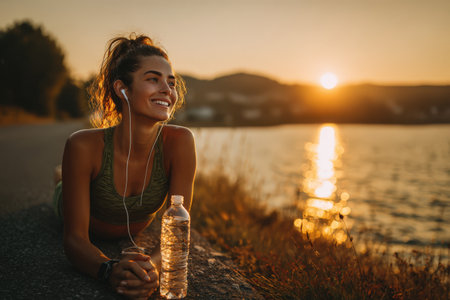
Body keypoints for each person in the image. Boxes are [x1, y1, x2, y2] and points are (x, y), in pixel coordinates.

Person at [53, 34, 196, 299]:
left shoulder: (181, 142)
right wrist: (108, 269)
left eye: (171, 82)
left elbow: (178, 230)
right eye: (153, 79)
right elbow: (74, 240)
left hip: (133, 226)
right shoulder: (82, 145)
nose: (167, 89)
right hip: (78, 211)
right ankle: (60, 178)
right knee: (61, 183)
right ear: (123, 90)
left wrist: (150, 269)